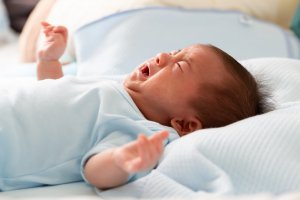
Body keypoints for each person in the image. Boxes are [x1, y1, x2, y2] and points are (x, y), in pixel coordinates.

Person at [0, 22, 264, 192]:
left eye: (180, 65)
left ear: (184, 124)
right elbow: (55, 98)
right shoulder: (115, 88)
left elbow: (95, 170)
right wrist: (49, 60)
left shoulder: (139, 129)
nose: (163, 56)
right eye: (175, 52)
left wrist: (121, 161)